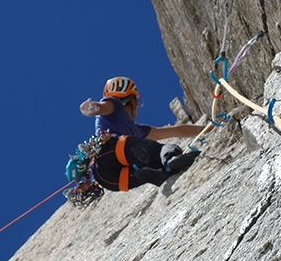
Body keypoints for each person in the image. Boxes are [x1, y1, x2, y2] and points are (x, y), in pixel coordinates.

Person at [76, 77, 204, 192]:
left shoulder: (137, 130)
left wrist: (206, 128)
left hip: (109, 178)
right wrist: (94, 107)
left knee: (149, 166)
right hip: (114, 148)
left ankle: (158, 174)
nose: (137, 104)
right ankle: (170, 159)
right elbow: (105, 106)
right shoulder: (115, 105)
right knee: (160, 150)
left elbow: (177, 131)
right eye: (137, 101)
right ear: (131, 101)